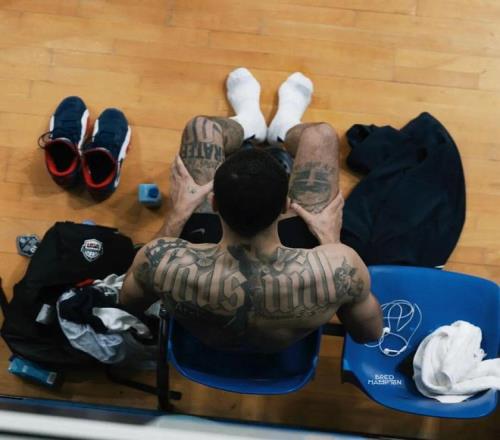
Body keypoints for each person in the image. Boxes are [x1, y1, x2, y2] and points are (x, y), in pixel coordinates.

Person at [120, 68, 383, 352]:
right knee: (321, 135)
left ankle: (249, 124)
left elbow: (127, 304)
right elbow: (369, 334)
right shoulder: (342, 267)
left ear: (215, 203)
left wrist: (177, 214)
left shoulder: (161, 262)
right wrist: (332, 243)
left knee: (201, 127)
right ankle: (282, 128)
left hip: (200, 291)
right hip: (303, 289)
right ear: (286, 206)